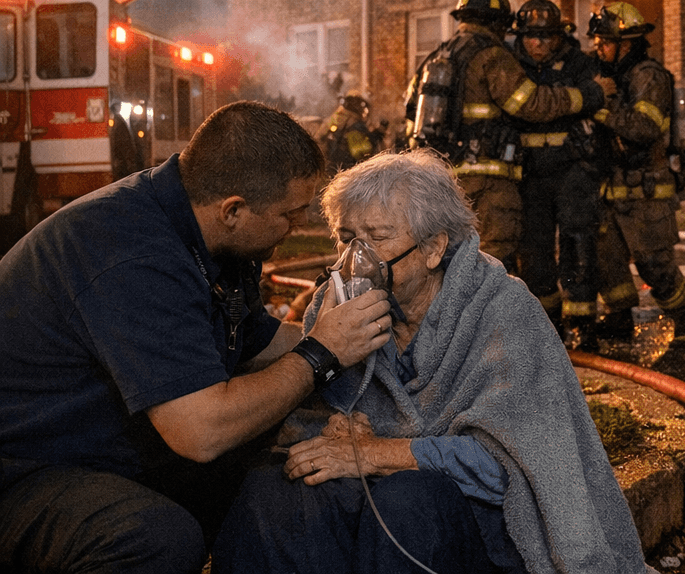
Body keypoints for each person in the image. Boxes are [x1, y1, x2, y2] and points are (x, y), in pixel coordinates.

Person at [212, 150, 649, 574]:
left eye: (377, 238)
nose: (354, 262)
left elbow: (516, 463)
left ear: (433, 248)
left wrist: (379, 452)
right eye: (347, 239)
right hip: (372, 498)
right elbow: (311, 422)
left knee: (409, 500)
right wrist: (338, 427)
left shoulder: (501, 310)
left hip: (480, 521)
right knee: (271, 492)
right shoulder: (337, 306)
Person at [0, 101, 391, 574]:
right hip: (25, 466)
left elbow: (261, 344)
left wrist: (353, 336)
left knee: (277, 470)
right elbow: (201, 432)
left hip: (101, 446)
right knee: (156, 539)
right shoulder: (131, 253)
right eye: (292, 213)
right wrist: (321, 353)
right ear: (233, 210)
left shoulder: (212, 236)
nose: (301, 226)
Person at [404, 0, 606, 274]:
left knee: (452, 259)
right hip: (489, 181)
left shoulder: (437, 56)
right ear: (498, 23)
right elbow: (532, 104)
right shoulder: (492, 56)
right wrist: (591, 96)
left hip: (445, 178)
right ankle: (495, 320)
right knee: (495, 259)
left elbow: (410, 109)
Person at [586, 1, 685, 346]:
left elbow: (645, 128)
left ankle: (684, 326)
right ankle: (620, 322)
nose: (598, 49)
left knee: (655, 266)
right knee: (609, 263)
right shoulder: (608, 77)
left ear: (627, 42)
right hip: (611, 188)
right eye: (597, 42)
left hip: (647, 191)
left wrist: (602, 105)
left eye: (604, 43)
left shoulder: (649, 76)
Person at [510, 0, 606, 345]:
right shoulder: (511, 65)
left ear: (560, 35)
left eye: (546, 36)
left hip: (572, 171)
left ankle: (583, 326)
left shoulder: (580, 63)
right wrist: (580, 97)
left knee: (578, 244)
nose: (538, 44)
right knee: (533, 251)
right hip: (529, 175)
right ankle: (547, 326)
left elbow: (601, 97)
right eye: (531, 37)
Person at [319, 90, 385, 175]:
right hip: (350, 168)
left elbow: (320, 137)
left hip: (330, 166)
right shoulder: (356, 123)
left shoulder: (335, 118)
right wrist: (378, 134)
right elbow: (365, 150)